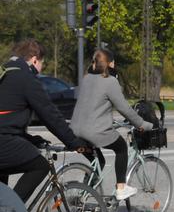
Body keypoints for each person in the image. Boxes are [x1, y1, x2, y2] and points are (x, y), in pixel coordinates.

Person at [0, 39, 88, 203]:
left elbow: (7, 119)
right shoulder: (26, 78)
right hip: (3, 141)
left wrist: (30, 139)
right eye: (42, 64)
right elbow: (49, 114)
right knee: (40, 166)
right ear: (34, 59)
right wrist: (73, 142)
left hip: (5, 139)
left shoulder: (5, 72)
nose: (40, 70)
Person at [70, 49, 155, 201]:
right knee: (121, 147)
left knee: (99, 161)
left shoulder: (87, 78)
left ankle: (83, 194)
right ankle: (121, 188)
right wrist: (141, 124)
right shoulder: (110, 81)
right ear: (111, 64)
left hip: (75, 130)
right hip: (94, 132)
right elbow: (124, 108)